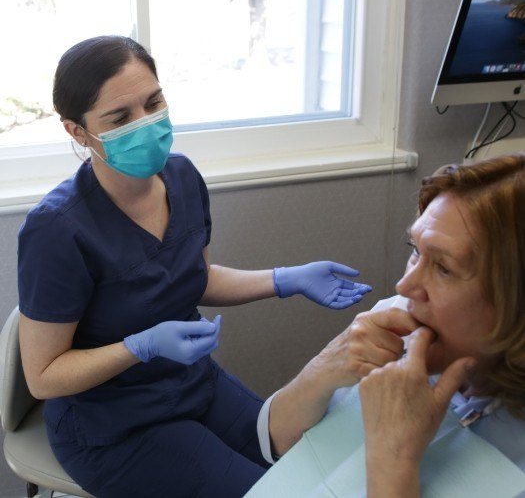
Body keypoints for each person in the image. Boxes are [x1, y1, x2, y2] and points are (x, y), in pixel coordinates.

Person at [17, 35, 372, 498]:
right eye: (120, 118)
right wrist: (140, 347)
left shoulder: (181, 176)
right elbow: (43, 377)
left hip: (191, 383)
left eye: (153, 102)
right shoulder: (56, 231)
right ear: (77, 131)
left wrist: (285, 279)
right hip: (113, 426)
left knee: (300, 459)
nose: (145, 124)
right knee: (272, 492)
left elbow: (195, 278)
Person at [254, 154, 525, 497]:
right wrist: (323, 370)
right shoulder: (396, 318)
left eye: (443, 268)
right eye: (415, 250)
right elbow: (272, 441)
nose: (405, 286)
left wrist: (393, 459)